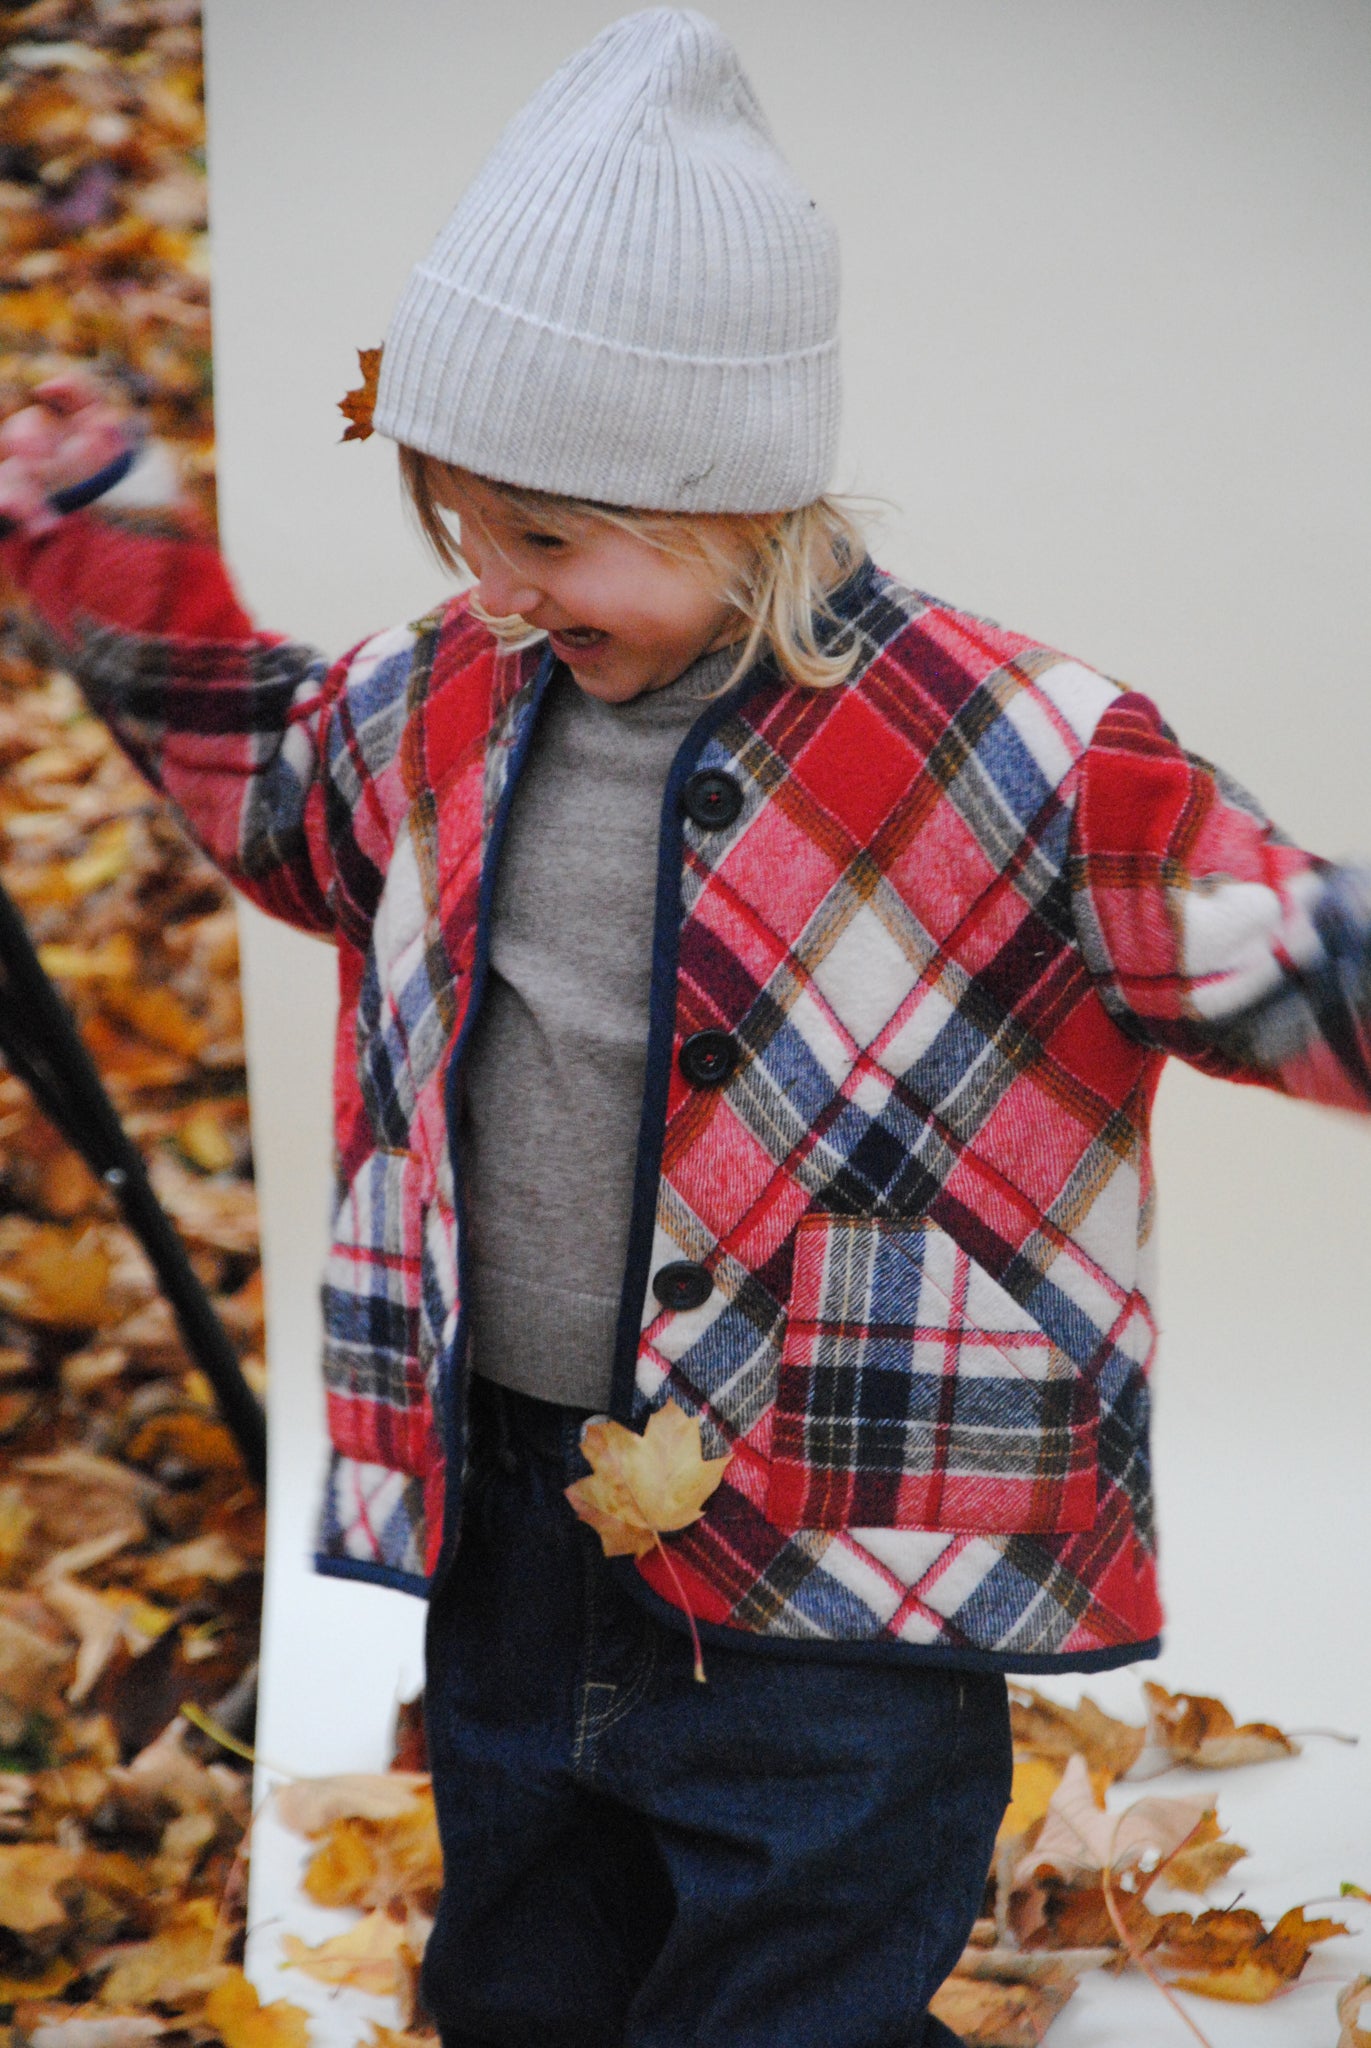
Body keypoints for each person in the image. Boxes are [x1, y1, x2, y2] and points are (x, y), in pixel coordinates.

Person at [1, 10, 1368, 2044]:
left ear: (729, 490)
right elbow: (270, 784)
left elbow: (1271, 950)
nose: (496, 584)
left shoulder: (1018, 750)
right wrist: (100, 536)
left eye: (546, 538)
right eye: (459, 526)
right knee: (526, 1920)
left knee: (807, 1935)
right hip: (517, 1488)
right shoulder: (442, 694)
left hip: (848, 1517)